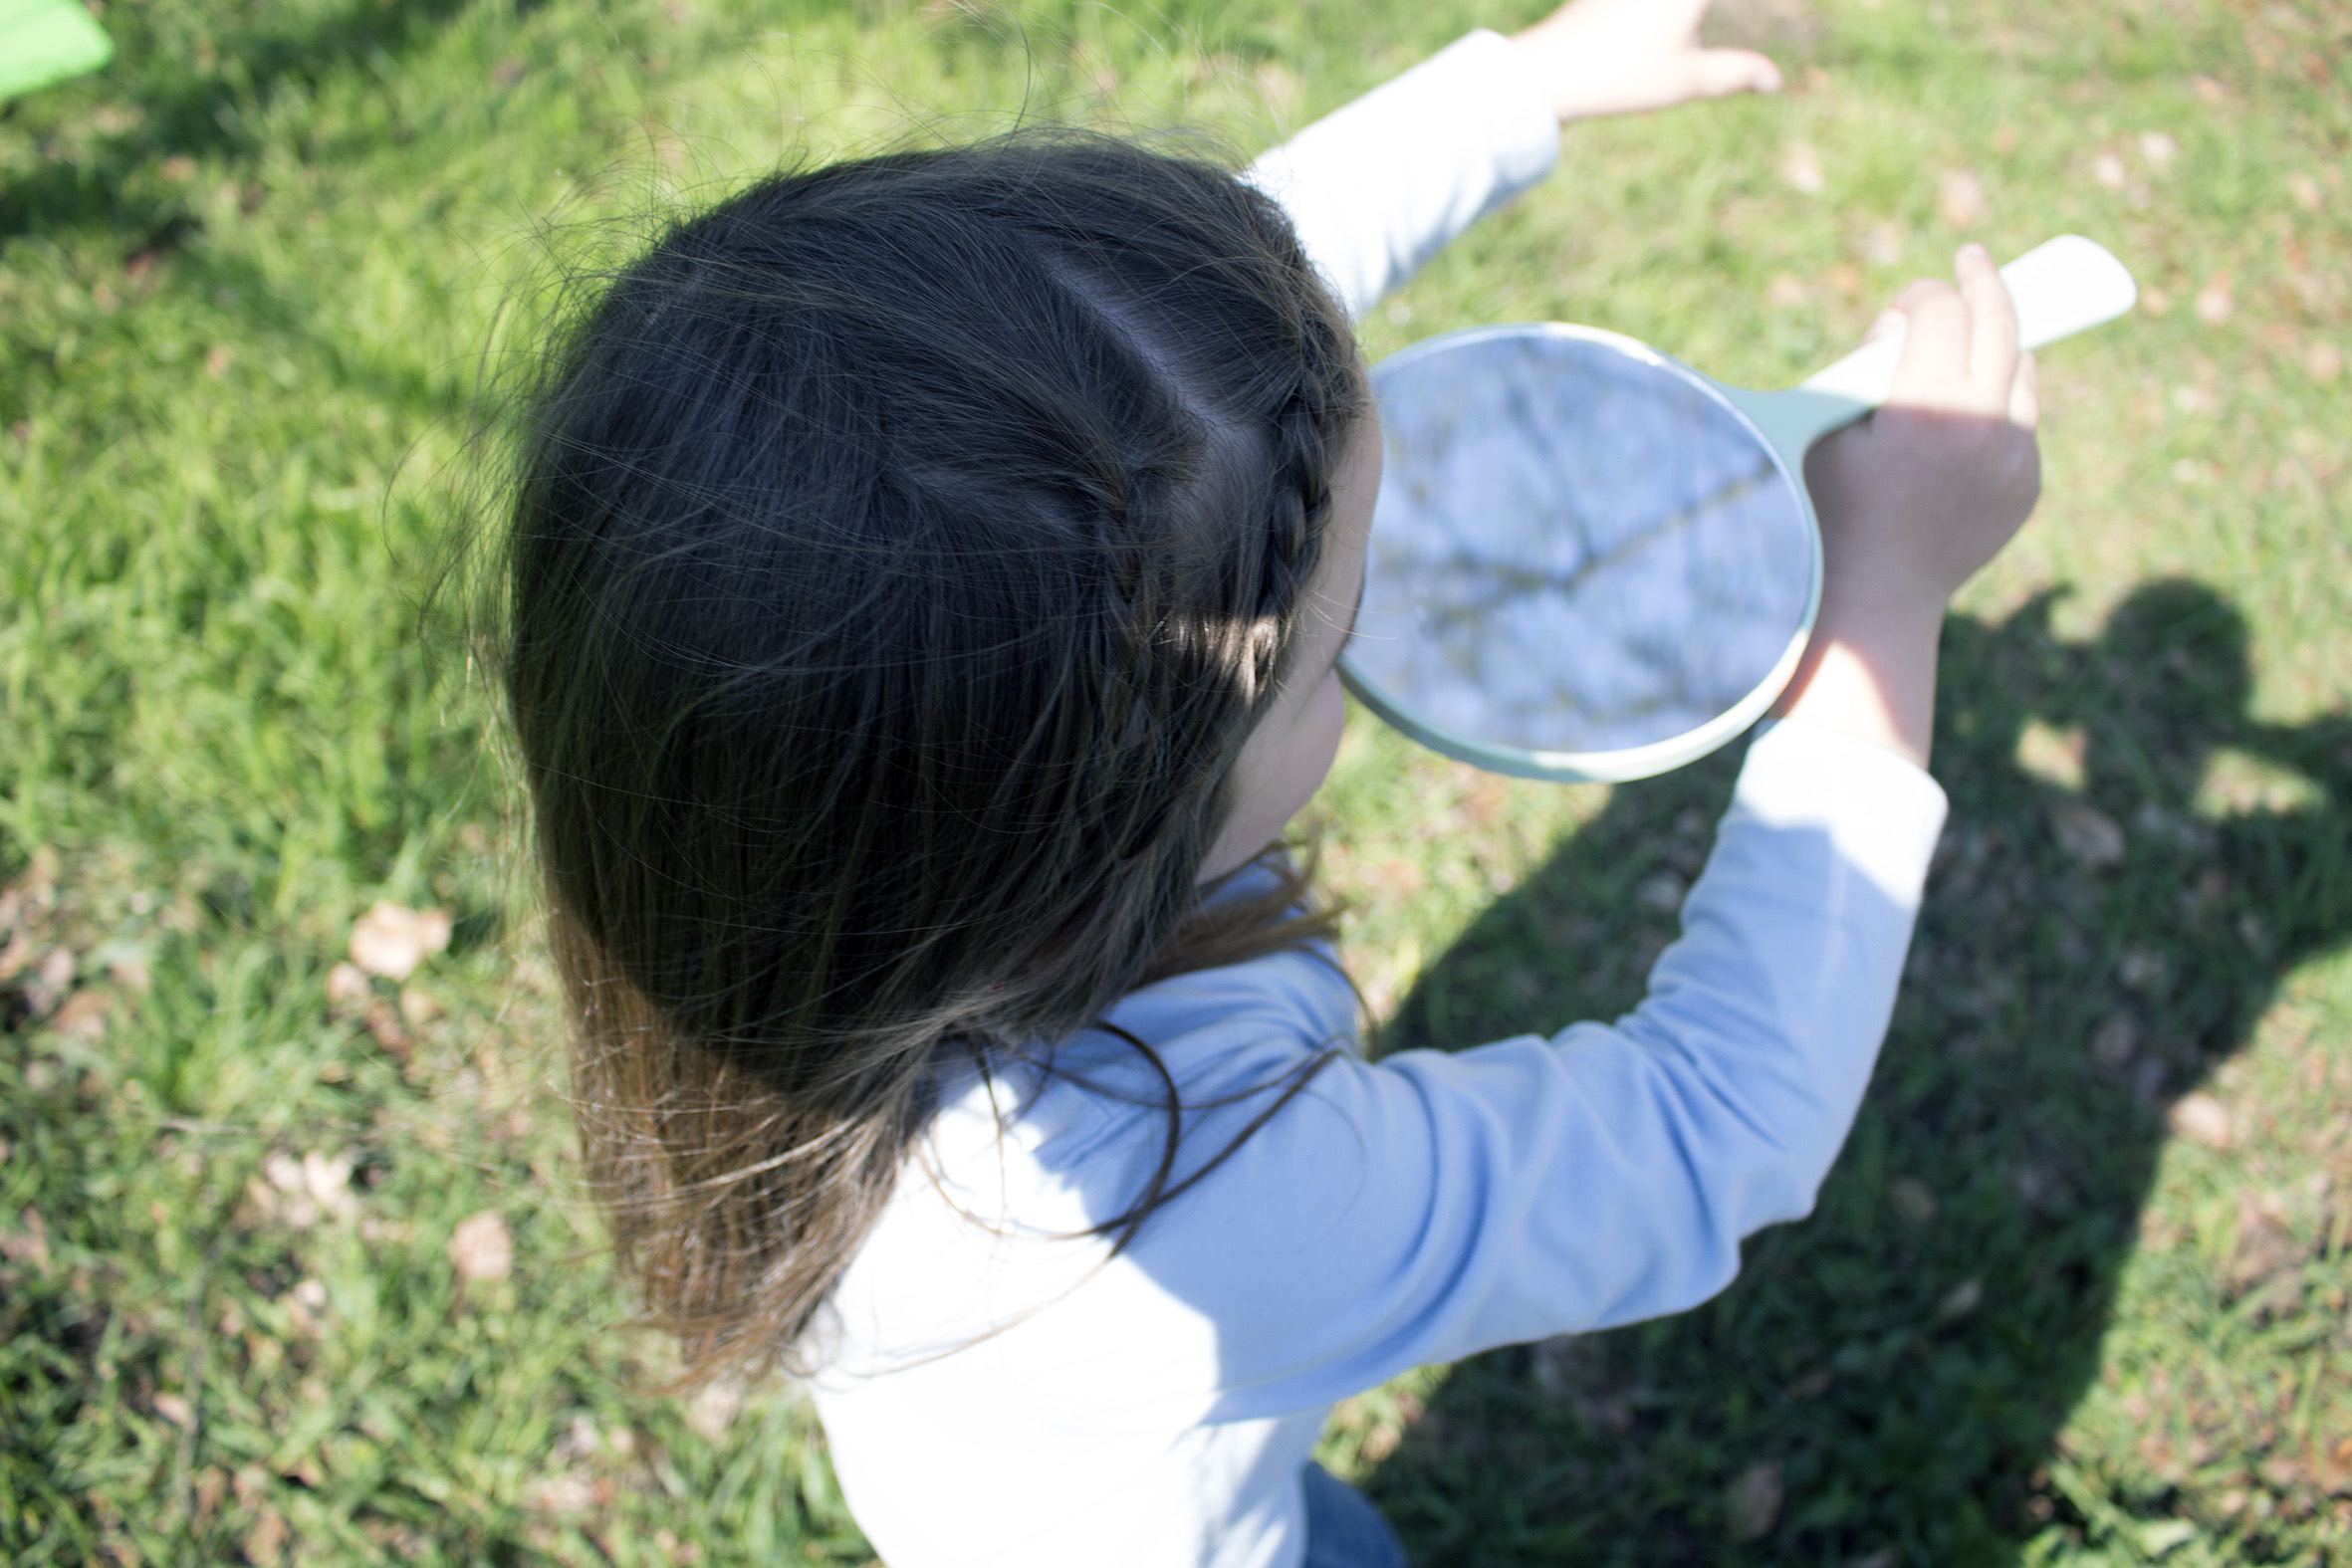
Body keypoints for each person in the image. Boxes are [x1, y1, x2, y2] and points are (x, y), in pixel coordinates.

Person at [493, 0, 2041, 1562]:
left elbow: (1162, 380)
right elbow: (1717, 1123)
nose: (1364, 621)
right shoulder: (1167, 1222)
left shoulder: (761, 831)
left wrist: (1521, 84)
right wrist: (1881, 606)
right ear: (1080, 872)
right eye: (1339, 636)